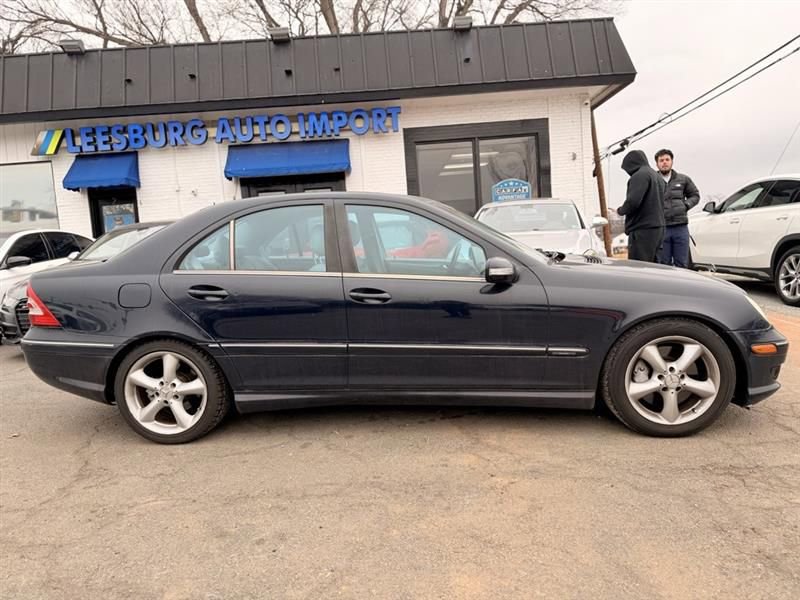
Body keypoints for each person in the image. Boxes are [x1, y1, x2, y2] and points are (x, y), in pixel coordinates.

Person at [617, 150, 665, 262]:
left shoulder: (639, 176)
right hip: (659, 228)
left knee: (640, 267)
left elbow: (633, 202)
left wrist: (620, 211)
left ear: (632, 164)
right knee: (655, 266)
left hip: (643, 229)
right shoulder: (657, 176)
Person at [654, 149, 700, 268]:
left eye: (667, 160)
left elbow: (695, 195)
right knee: (664, 264)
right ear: (657, 164)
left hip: (680, 227)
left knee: (682, 263)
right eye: (661, 160)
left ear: (672, 161)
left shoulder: (683, 179)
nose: (664, 162)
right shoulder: (653, 180)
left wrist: (685, 205)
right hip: (662, 228)